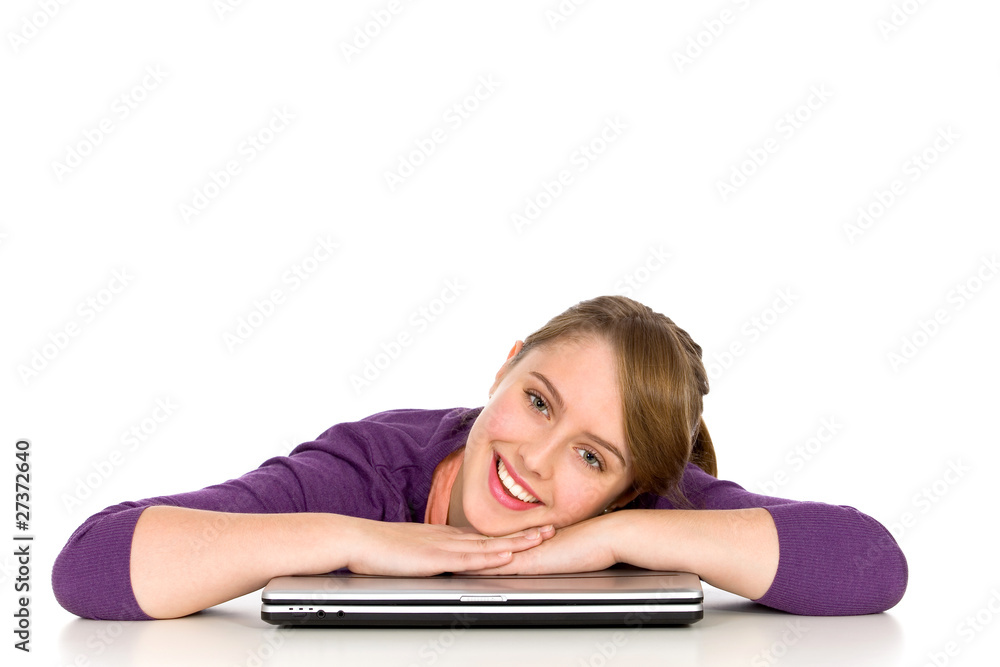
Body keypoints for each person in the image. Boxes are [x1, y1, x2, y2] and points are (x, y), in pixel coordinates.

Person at [52, 295, 907, 620]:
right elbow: (88, 568)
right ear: (505, 366)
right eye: (537, 399)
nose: (533, 459)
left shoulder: (642, 506)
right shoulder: (374, 466)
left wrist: (623, 542)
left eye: (590, 456)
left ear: (627, 487)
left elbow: (873, 566)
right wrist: (352, 540)